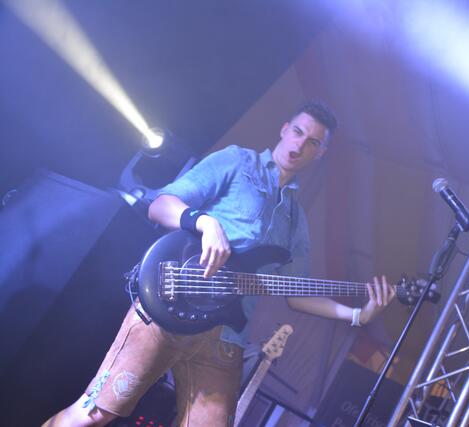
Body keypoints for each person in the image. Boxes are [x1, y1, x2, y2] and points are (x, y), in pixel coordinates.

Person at [43, 101, 396, 427]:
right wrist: (204, 222)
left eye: (313, 142)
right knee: (94, 414)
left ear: (320, 152)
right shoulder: (237, 162)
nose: (300, 145)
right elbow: (160, 205)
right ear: (285, 129)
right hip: (169, 307)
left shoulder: (296, 221)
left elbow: (296, 293)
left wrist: (357, 315)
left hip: (226, 337)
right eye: (298, 132)